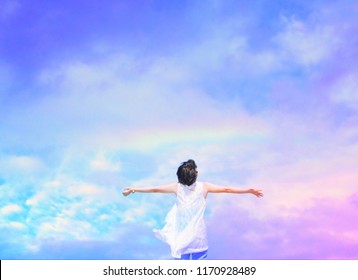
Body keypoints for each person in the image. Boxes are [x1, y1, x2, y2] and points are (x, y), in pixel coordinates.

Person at [122, 159, 263, 260]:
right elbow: (227, 189)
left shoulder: (176, 187)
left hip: (181, 239)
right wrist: (248, 191)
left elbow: (154, 189)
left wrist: (133, 189)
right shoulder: (204, 187)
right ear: (195, 174)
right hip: (198, 239)